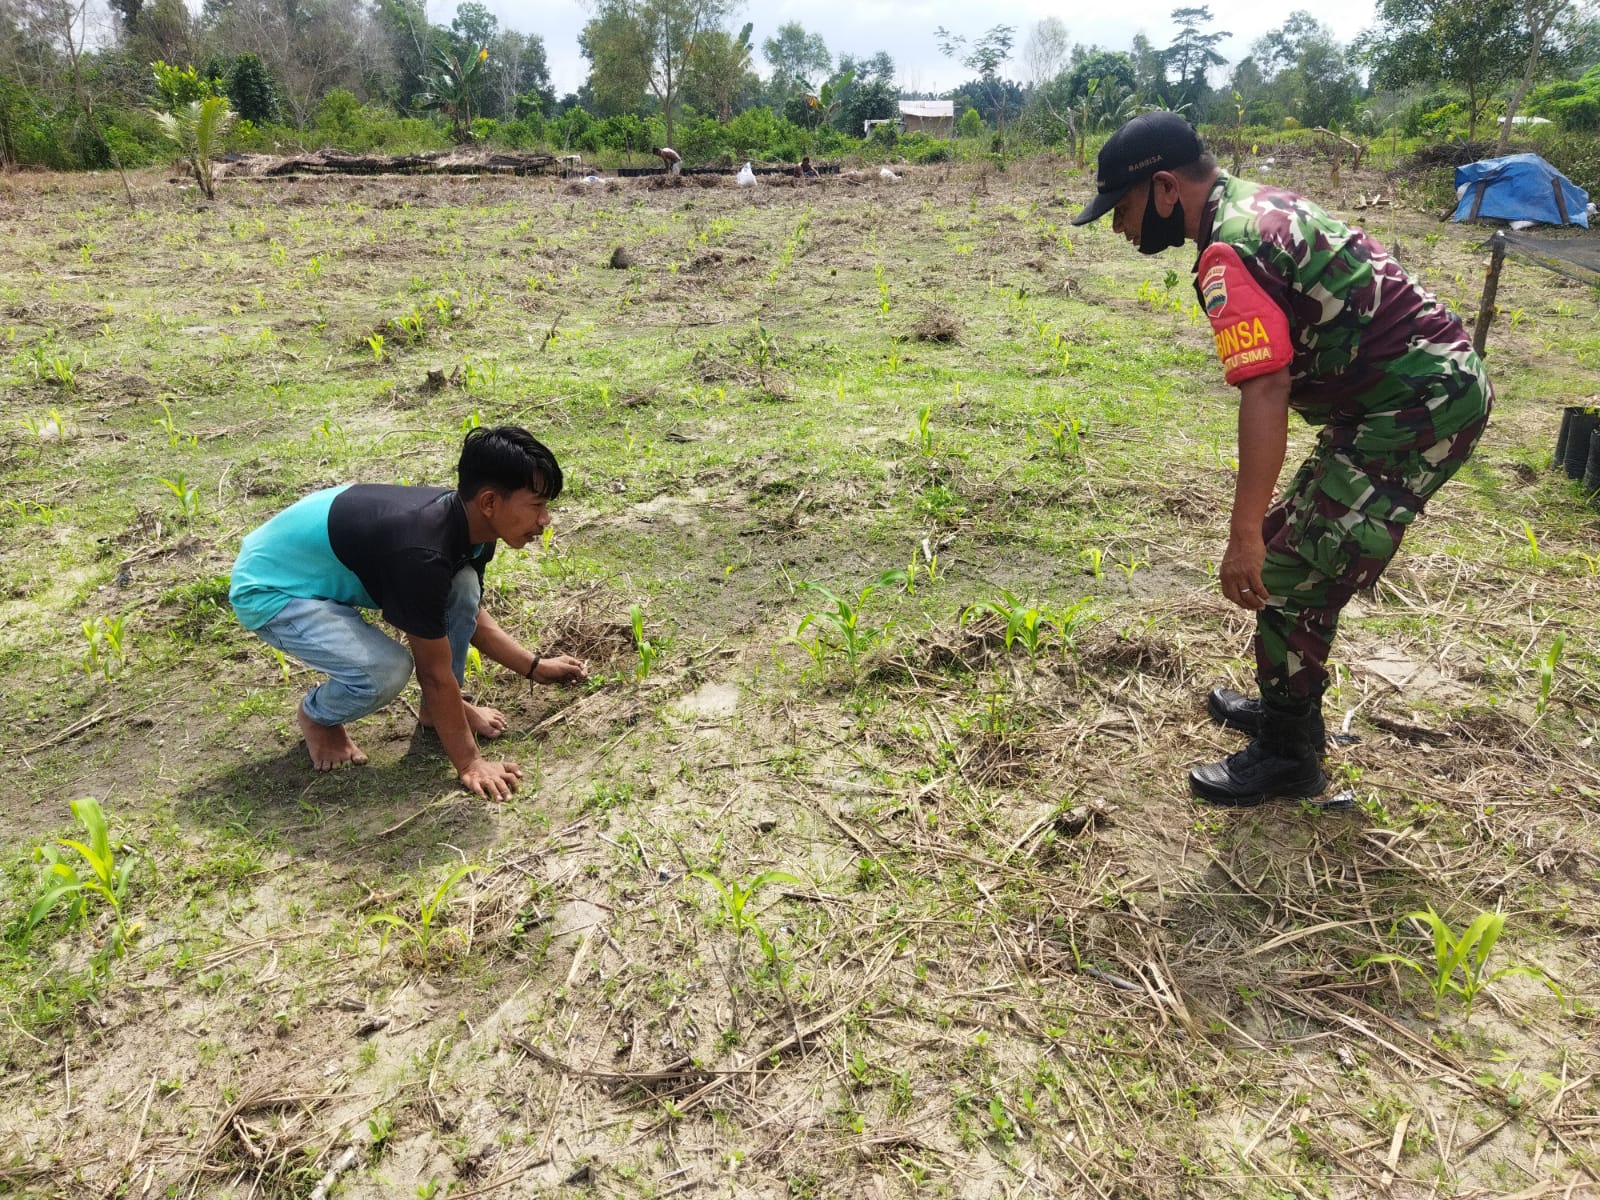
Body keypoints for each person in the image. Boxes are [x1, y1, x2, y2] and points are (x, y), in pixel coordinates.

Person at [1071, 113, 1492, 806]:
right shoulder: (1258, 205)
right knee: (1289, 549)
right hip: (1400, 396)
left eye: (1123, 206)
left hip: (1413, 410)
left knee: (1287, 570)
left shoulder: (1226, 254)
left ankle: (1290, 753)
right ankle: (1287, 707)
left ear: (1167, 188)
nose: (1119, 226)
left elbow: (1265, 388)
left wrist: (1239, 538)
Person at [229, 426, 588, 800]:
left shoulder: (473, 530)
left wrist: (535, 667)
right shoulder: (423, 554)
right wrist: (470, 764)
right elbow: (433, 673)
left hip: (322, 565)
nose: (545, 520)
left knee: (462, 585)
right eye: (537, 506)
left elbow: (467, 616)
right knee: (386, 670)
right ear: (489, 502)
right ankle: (318, 717)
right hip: (272, 587)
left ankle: (439, 713)